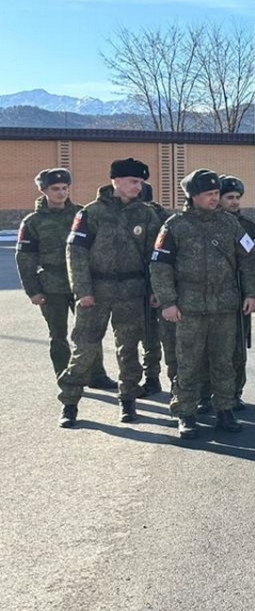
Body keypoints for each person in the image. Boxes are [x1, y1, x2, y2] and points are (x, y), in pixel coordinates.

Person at [150, 169, 255, 439]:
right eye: (209, 194)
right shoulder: (175, 226)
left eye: (216, 194)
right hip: (189, 307)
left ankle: (225, 409)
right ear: (193, 196)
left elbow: (249, 260)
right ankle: (186, 414)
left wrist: (252, 294)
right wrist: (168, 302)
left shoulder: (230, 224)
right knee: (188, 362)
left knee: (224, 360)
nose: (214, 198)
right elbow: (160, 266)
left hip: (225, 305)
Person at [58, 157, 165, 428]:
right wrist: (82, 290)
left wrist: (154, 290)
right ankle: (70, 403)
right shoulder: (90, 213)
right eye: (133, 181)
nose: (138, 187)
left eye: (140, 182)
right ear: (115, 181)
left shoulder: (146, 214)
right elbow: (76, 254)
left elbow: (156, 256)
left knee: (128, 349)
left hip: (132, 292)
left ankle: (128, 400)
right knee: (84, 348)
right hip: (96, 290)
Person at [16, 168, 114, 389]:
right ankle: (65, 377)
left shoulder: (81, 214)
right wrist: (33, 290)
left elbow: (98, 249)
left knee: (90, 331)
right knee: (58, 334)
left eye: (65, 188)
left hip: (82, 283)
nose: (61, 193)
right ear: (43, 191)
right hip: (52, 285)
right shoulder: (33, 222)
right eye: (55, 189)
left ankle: (96, 375)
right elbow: (25, 258)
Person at [217, 175, 255, 409]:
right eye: (230, 197)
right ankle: (208, 394)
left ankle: (235, 392)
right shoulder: (209, 224)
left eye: (238, 198)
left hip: (239, 298)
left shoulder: (248, 227)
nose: (235, 202)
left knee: (237, 349)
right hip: (212, 298)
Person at [137, 181, 174, 393]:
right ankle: (154, 377)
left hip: (157, 283)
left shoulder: (162, 219)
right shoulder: (166, 216)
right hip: (140, 284)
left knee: (156, 335)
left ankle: (155, 378)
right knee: (151, 334)